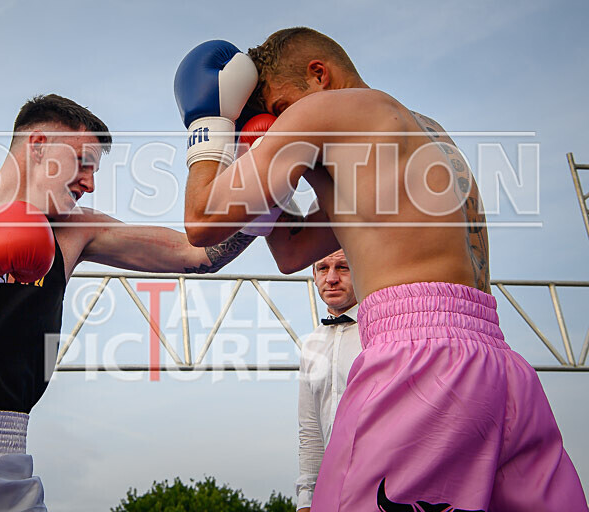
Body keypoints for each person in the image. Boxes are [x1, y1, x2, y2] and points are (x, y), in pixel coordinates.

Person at [174, 30, 587, 511]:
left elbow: (201, 221)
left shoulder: (323, 111)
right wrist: (261, 166)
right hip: (501, 371)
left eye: (279, 107)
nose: (277, 123)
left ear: (318, 74)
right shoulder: (422, 134)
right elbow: (292, 252)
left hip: (419, 365)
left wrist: (210, 126)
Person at [0, 94, 271, 511]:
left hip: (1, 458)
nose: (90, 184)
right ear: (38, 145)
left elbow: (198, 254)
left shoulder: (77, 231)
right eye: (83, 163)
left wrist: (267, 187)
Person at [296, 250, 359, 512]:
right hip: (330, 493)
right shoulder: (311, 344)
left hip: (382, 487)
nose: (331, 278)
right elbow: (310, 432)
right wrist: (305, 501)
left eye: (342, 267)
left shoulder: (384, 332)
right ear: (314, 275)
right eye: (323, 268)